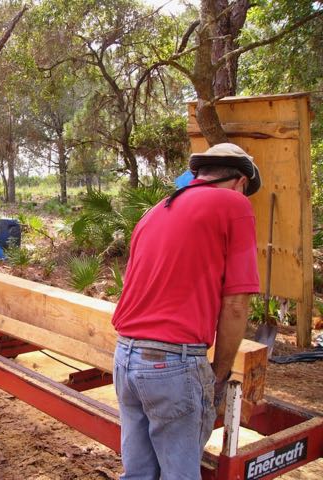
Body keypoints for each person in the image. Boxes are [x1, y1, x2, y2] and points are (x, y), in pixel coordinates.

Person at [111, 142, 261, 479]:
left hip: (125, 356)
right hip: (172, 365)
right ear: (240, 182)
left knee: (138, 473)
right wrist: (219, 375)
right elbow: (236, 304)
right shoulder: (233, 203)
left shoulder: (156, 210)